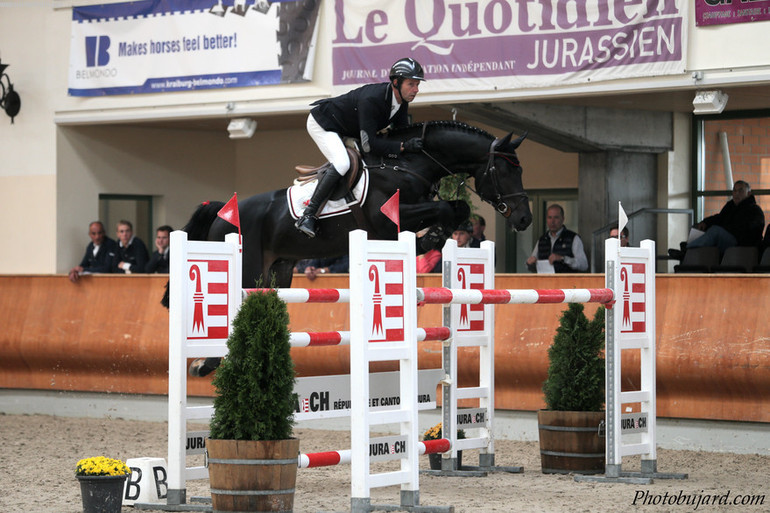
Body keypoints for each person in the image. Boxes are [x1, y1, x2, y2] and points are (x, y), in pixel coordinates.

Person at [295, 57, 426, 238]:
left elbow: (401, 133)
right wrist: (403, 146)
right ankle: (308, 215)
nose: (416, 90)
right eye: (411, 84)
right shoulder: (372, 99)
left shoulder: (401, 102)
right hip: (324, 124)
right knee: (342, 163)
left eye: (417, 84)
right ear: (396, 82)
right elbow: (369, 145)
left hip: (349, 129)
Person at [669, 180, 765, 260]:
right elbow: (719, 218)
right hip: (728, 238)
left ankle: (686, 251)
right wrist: (705, 222)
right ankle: (688, 255)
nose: (736, 194)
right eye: (734, 191)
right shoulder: (730, 206)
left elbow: (748, 230)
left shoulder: (754, 211)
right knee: (698, 228)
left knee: (716, 231)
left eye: (740, 191)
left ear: (748, 193)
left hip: (740, 243)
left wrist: (724, 229)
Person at [526, 204, 588, 273]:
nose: (552, 221)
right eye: (550, 217)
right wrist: (530, 263)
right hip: (545, 282)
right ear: (546, 219)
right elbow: (531, 264)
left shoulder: (573, 238)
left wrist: (563, 258)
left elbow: (584, 265)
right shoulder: (542, 240)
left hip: (567, 282)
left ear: (563, 219)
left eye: (556, 217)